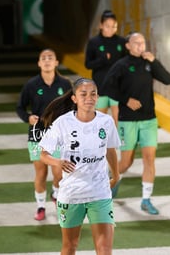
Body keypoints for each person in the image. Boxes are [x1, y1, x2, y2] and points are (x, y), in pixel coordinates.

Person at [39, 78, 120, 255]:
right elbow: (43, 155)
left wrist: (116, 174)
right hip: (71, 194)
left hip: (99, 192)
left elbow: (110, 149)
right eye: (83, 94)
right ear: (74, 98)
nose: (89, 98)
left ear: (98, 97)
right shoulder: (62, 123)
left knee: (105, 248)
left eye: (93, 94)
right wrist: (58, 162)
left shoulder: (106, 122)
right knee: (70, 246)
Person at [103, 32, 170, 214]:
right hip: (128, 121)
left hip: (149, 120)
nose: (141, 45)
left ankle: (146, 200)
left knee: (149, 158)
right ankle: (111, 180)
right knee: (126, 162)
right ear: (128, 45)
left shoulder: (149, 63)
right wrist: (126, 100)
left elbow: (167, 79)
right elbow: (106, 87)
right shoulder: (121, 65)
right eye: (137, 42)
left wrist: (155, 61)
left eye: (143, 42)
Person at [16, 49, 72, 221]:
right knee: (40, 173)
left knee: (57, 173)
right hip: (37, 134)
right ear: (39, 63)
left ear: (56, 62)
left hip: (59, 136)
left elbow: (72, 107)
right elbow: (20, 107)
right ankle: (41, 206)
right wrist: (28, 117)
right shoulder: (31, 85)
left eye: (50, 58)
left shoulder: (65, 84)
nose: (47, 60)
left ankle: (55, 194)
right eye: (43, 58)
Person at [85, 10, 126, 125]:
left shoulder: (121, 42)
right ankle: (100, 143)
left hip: (118, 87)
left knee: (118, 119)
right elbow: (88, 64)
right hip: (100, 86)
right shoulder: (94, 42)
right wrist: (102, 60)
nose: (111, 29)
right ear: (101, 25)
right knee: (100, 121)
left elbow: (127, 63)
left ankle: (117, 142)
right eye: (108, 26)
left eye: (114, 26)